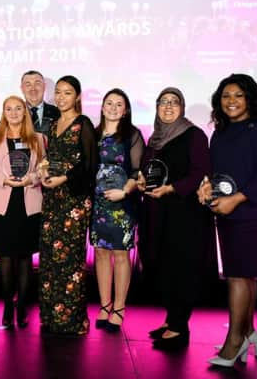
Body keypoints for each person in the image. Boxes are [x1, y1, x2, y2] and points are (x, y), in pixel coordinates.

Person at [199, 74, 257, 367]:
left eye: (238, 95)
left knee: (238, 275)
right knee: (244, 275)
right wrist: (205, 188)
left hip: (254, 213)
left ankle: (234, 342)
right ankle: (247, 332)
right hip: (226, 213)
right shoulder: (219, 132)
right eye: (225, 96)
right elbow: (213, 172)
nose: (231, 101)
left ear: (250, 98)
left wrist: (234, 200)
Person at [136, 87, 216, 350]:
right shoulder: (155, 139)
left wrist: (172, 188)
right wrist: (141, 180)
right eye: (163, 103)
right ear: (157, 108)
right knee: (163, 266)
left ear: (182, 107)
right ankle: (171, 320)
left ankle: (180, 325)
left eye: (174, 102)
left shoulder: (194, 135)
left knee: (181, 268)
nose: (168, 107)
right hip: (157, 213)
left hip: (185, 214)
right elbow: (148, 171)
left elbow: (200, 172)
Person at [0, 96, 45, 328]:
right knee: (5, 257)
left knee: (26, 258)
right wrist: (3, 180)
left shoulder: (37, 139)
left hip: (28, 205)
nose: (14, 112)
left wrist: (31, 178)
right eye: (9, 109)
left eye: (19, 108)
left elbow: (43, 170)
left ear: (25, 112)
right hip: (2, 204)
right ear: (4, 112)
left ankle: (22, 307)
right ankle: (8, 305)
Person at [39, 75, 98, 335]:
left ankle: (73, 321)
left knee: (71, 261)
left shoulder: (83, 124)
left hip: (74, 200)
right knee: (50, 259)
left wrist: (63, 177)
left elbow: (89, 165)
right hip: (52, 199)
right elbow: (50, 159)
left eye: (67, 93)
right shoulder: (52, 125)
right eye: (58, 93)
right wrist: (43, 172)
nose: (61, 98)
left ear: (78, 97)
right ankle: (52, 317)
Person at [90, 89, 144, 332]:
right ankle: (104, 305)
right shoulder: (92, 134)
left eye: (118, 104)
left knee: (121, 255)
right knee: (101, 253)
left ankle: (119, 309)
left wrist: (125, 192)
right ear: (102, 108)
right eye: (108, 103)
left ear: (125, 110)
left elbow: (136, 172)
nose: (113, 107)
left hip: (122, 204)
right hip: (97, 204)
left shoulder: (132, 135)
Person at [20, 70, 60, 134]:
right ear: (22, 88)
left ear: (44, 86)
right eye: (28, 85)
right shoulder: (13, 115)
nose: (33, 88)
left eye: (37, 83)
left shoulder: (58, 113)